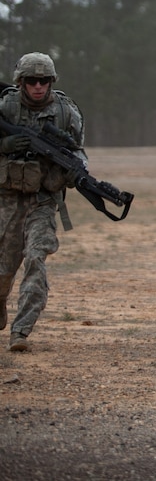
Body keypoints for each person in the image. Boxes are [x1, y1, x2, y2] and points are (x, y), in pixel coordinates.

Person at [0, 53, 85, 352]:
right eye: (32, 81)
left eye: (44, 81)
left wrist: (78, 173)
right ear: (21, 82)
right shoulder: (6, 107)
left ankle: (21, 331)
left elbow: (78, 150)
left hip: (44, 200)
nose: (38, 87)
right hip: (7, 199)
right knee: (4, 269)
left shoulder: (65, 112)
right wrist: (4, 144)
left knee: (36, 258)